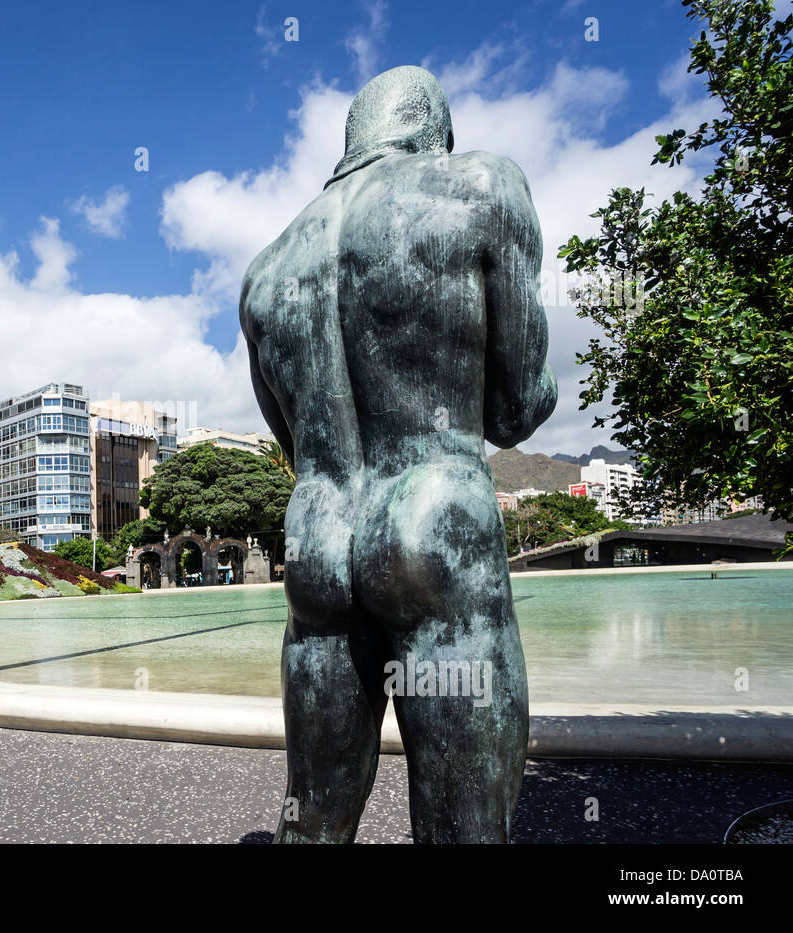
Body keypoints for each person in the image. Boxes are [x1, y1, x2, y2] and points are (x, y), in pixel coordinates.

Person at [241, 66, 554, 844]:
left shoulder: (268, 269)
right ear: (434, 133)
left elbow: (298, 442)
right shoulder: (481, 185)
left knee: (311, 818)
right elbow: (517, 410)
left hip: (317, 538)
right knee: (464, 825)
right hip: (432, 525)